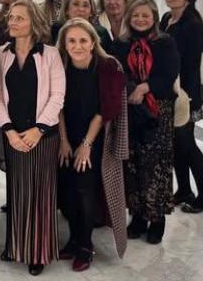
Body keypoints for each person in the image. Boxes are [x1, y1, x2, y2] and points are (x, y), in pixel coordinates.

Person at [0, 0, 65, 276]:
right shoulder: (1, 53)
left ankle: (38, 252)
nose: (12, 22)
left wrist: (39, 129)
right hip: (13, 135)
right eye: (11, 18)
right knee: (17, 191)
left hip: (43, 136)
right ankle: (16, 246)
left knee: (40, 195)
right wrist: (8, 129)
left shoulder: (51, 54)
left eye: (19, 18)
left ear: (33, 23)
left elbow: (58, 96)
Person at [56, 18, 128, 272]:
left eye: (83, 40)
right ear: (64, 44)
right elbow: (58, 108)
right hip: (66, 136)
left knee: (85, 192)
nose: (77, 46)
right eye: (71, 41)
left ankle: (86, 246)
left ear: (93, 42)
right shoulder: (60, 66)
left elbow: (105, 110)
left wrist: (86, 144)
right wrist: (64, 141)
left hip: (94, 139)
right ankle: (74, 239)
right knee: (66, 192)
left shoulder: (107, 66)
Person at [110, 0, 179, 245]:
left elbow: (169, 72)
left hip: (158, 109)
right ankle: (138, 216)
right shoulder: (120, 44)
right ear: (129, 17)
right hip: (129, 108)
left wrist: (145, 88)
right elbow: (116, 71)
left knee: (156, 164)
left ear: (153, 17)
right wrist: (132, 89)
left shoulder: (165, 42)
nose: (140, 19)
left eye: (145, 15)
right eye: (135, 15)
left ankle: (157, 219)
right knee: (133, 163)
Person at [162, 0, 203, 214]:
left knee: (188, 144)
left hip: (186, 94)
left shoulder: (191, 25)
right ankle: (183, 190)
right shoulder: (166, 19)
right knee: (176, 144)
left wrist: (186, 96)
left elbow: (189, 65)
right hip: (170, 91)